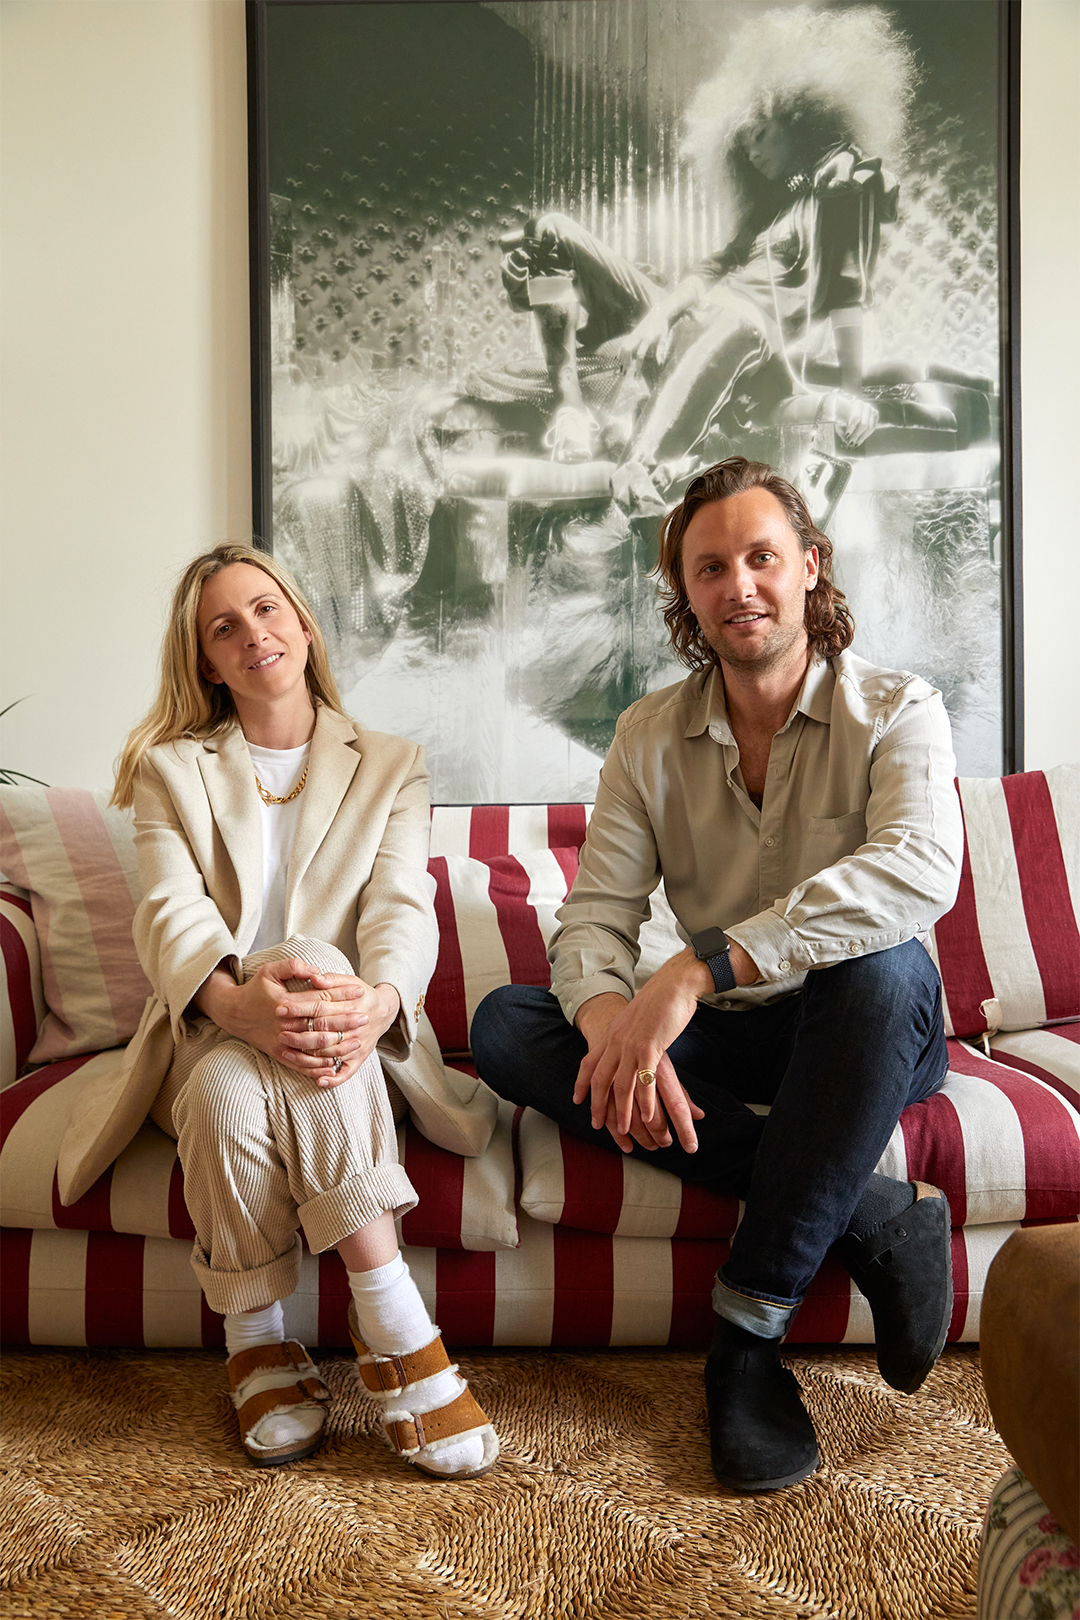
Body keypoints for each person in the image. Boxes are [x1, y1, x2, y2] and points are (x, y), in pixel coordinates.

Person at [470, 456, 963, 1493]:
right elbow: (596, 919)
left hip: (870, 1032)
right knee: (509, 1025)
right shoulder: (649, 735)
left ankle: (747, 1338)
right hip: (743, 1028)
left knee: (880, 973)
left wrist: (696, 969)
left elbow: (920, 870)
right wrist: (612, 1024)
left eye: (761, 557)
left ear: (808, 566)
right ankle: (872, 1214)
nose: (738, 584)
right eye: (709, 568)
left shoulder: (897, 707)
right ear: (685, 594)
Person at [102, 542, 498, 1478]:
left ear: (304, 623)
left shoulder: (392, 763)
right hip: (212, 1028)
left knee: (294, 999)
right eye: (224, 627)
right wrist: (237, 1004)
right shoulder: (170, 771)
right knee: (260, 1024)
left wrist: (381, 1000)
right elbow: (169, 911)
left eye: (268, 609)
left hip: (353, 1040)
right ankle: (393, 1323)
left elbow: (403, 905)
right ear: (205, 660)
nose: (254, 635)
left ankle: (260, 1342)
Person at [489, 5, 913, 501]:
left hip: (748, 339)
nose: (752, 155)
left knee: (736, 316)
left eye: (758, 135)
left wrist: (853, 393)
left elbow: (848, 295)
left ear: (800, 115)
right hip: (694, 319)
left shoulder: (845, 181)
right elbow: (713, 268)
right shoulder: (769, 210)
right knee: (552, 230)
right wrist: (659, 318)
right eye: (743, 146)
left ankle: (642, 468)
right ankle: (570, 411)